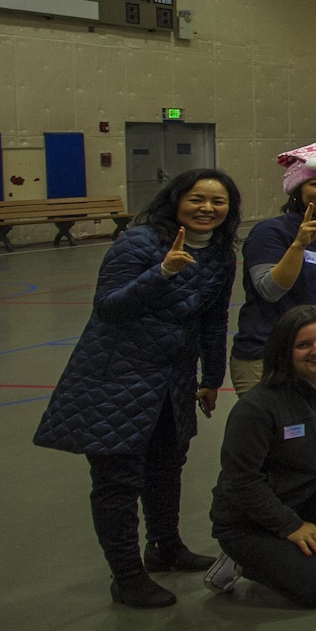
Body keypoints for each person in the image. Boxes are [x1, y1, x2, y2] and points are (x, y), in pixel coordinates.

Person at [34, 168, 239, 608]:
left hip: (173, 378)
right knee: (118, 478)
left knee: (167, 464)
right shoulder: (138, 242)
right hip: (116, 375)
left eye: (218, 202)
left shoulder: (221, 253)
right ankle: (126, 576)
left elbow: (214, 318)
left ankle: (165, 547)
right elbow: (108, 308)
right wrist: (162, 272)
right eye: (197, 199)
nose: (207, 209)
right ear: (176, 201)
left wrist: (211, 378)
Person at [205, 305, 316, 606]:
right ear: (285, 351)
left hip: (309, 491)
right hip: (247, 518)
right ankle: (240, 562)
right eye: (303, 345)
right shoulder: (258, 407)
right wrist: (291, 526)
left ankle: (287, 552)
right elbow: (241, 482)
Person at [233, 143, 316, 393]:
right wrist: (298, 246)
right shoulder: (271, 232)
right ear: (297, 191)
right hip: (265, 354)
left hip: (311, 355)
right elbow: (270, 290)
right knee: (269, 430)